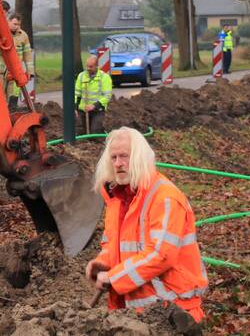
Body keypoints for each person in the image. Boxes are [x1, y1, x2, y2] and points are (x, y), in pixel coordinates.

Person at [85, 127, 208, 334]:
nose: (118, 163)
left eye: (124, 156)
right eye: (113, 157)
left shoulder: (164, 197)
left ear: (140, 158)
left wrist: (114, 277)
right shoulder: (118, 199)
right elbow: (114, 243)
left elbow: (161, 255)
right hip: (136, 315)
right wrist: (104, 262)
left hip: (173, 314)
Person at [74, 54, 112, 135]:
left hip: (98, 109)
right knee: (82, 133)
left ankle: (102, 136)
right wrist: (75, 107)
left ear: (96, 66)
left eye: (91, 67)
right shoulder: (81, 76)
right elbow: (77, 93)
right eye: (87, 66)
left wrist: (94, 105)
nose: (88, 69)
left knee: (95, 131)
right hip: (83, 110)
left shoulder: (104, 77)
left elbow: (107, 96)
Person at [4, 13, 35, 110]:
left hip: (16, 69)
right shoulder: (2, 32)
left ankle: (12, 109)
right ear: (8, 22)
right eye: (15, 24)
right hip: (3, 68)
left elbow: (28, 54)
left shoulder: (23, 35)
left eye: (19, 24)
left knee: (14, 93)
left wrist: (30, 71)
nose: (17, 27)